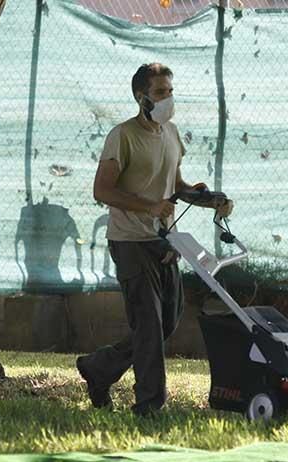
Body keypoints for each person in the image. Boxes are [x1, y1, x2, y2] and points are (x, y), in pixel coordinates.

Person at [76, 63, 232, 416]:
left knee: (166, 322)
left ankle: (99, 368)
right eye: (160, 93)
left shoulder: (171, 133)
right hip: (130, 241)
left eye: (170, 91)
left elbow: (175, 186)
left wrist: (208, 198)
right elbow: (102, 190)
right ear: (140, 96)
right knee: (147, 324)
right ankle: (149, 405)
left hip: (165, 241)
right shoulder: (123, 136)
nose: (168, 99)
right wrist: (149, 207)